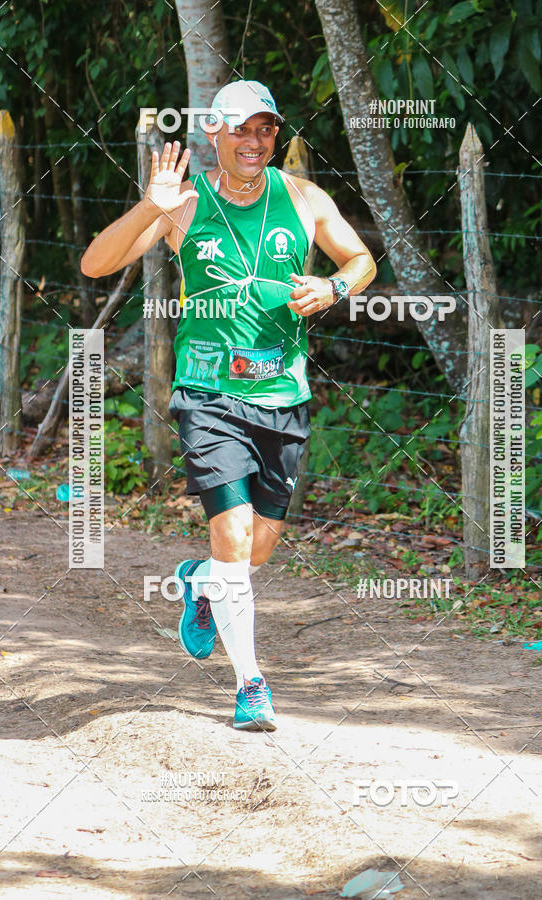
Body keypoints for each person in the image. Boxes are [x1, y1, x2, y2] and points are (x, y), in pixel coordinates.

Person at [81, 80, 376, 731]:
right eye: (240, 128)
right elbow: (95, 263)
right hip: (208, 395)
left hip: (283, 396)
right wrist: (148, 207)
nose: (254, 140)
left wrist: (332, 286)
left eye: (265, 128)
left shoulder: (302, 198)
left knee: (257, 549)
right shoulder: (184, 205)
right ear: (213, 133)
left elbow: (360, 260)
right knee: (236, 538)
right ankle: (252, 686)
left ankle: (199, 579)